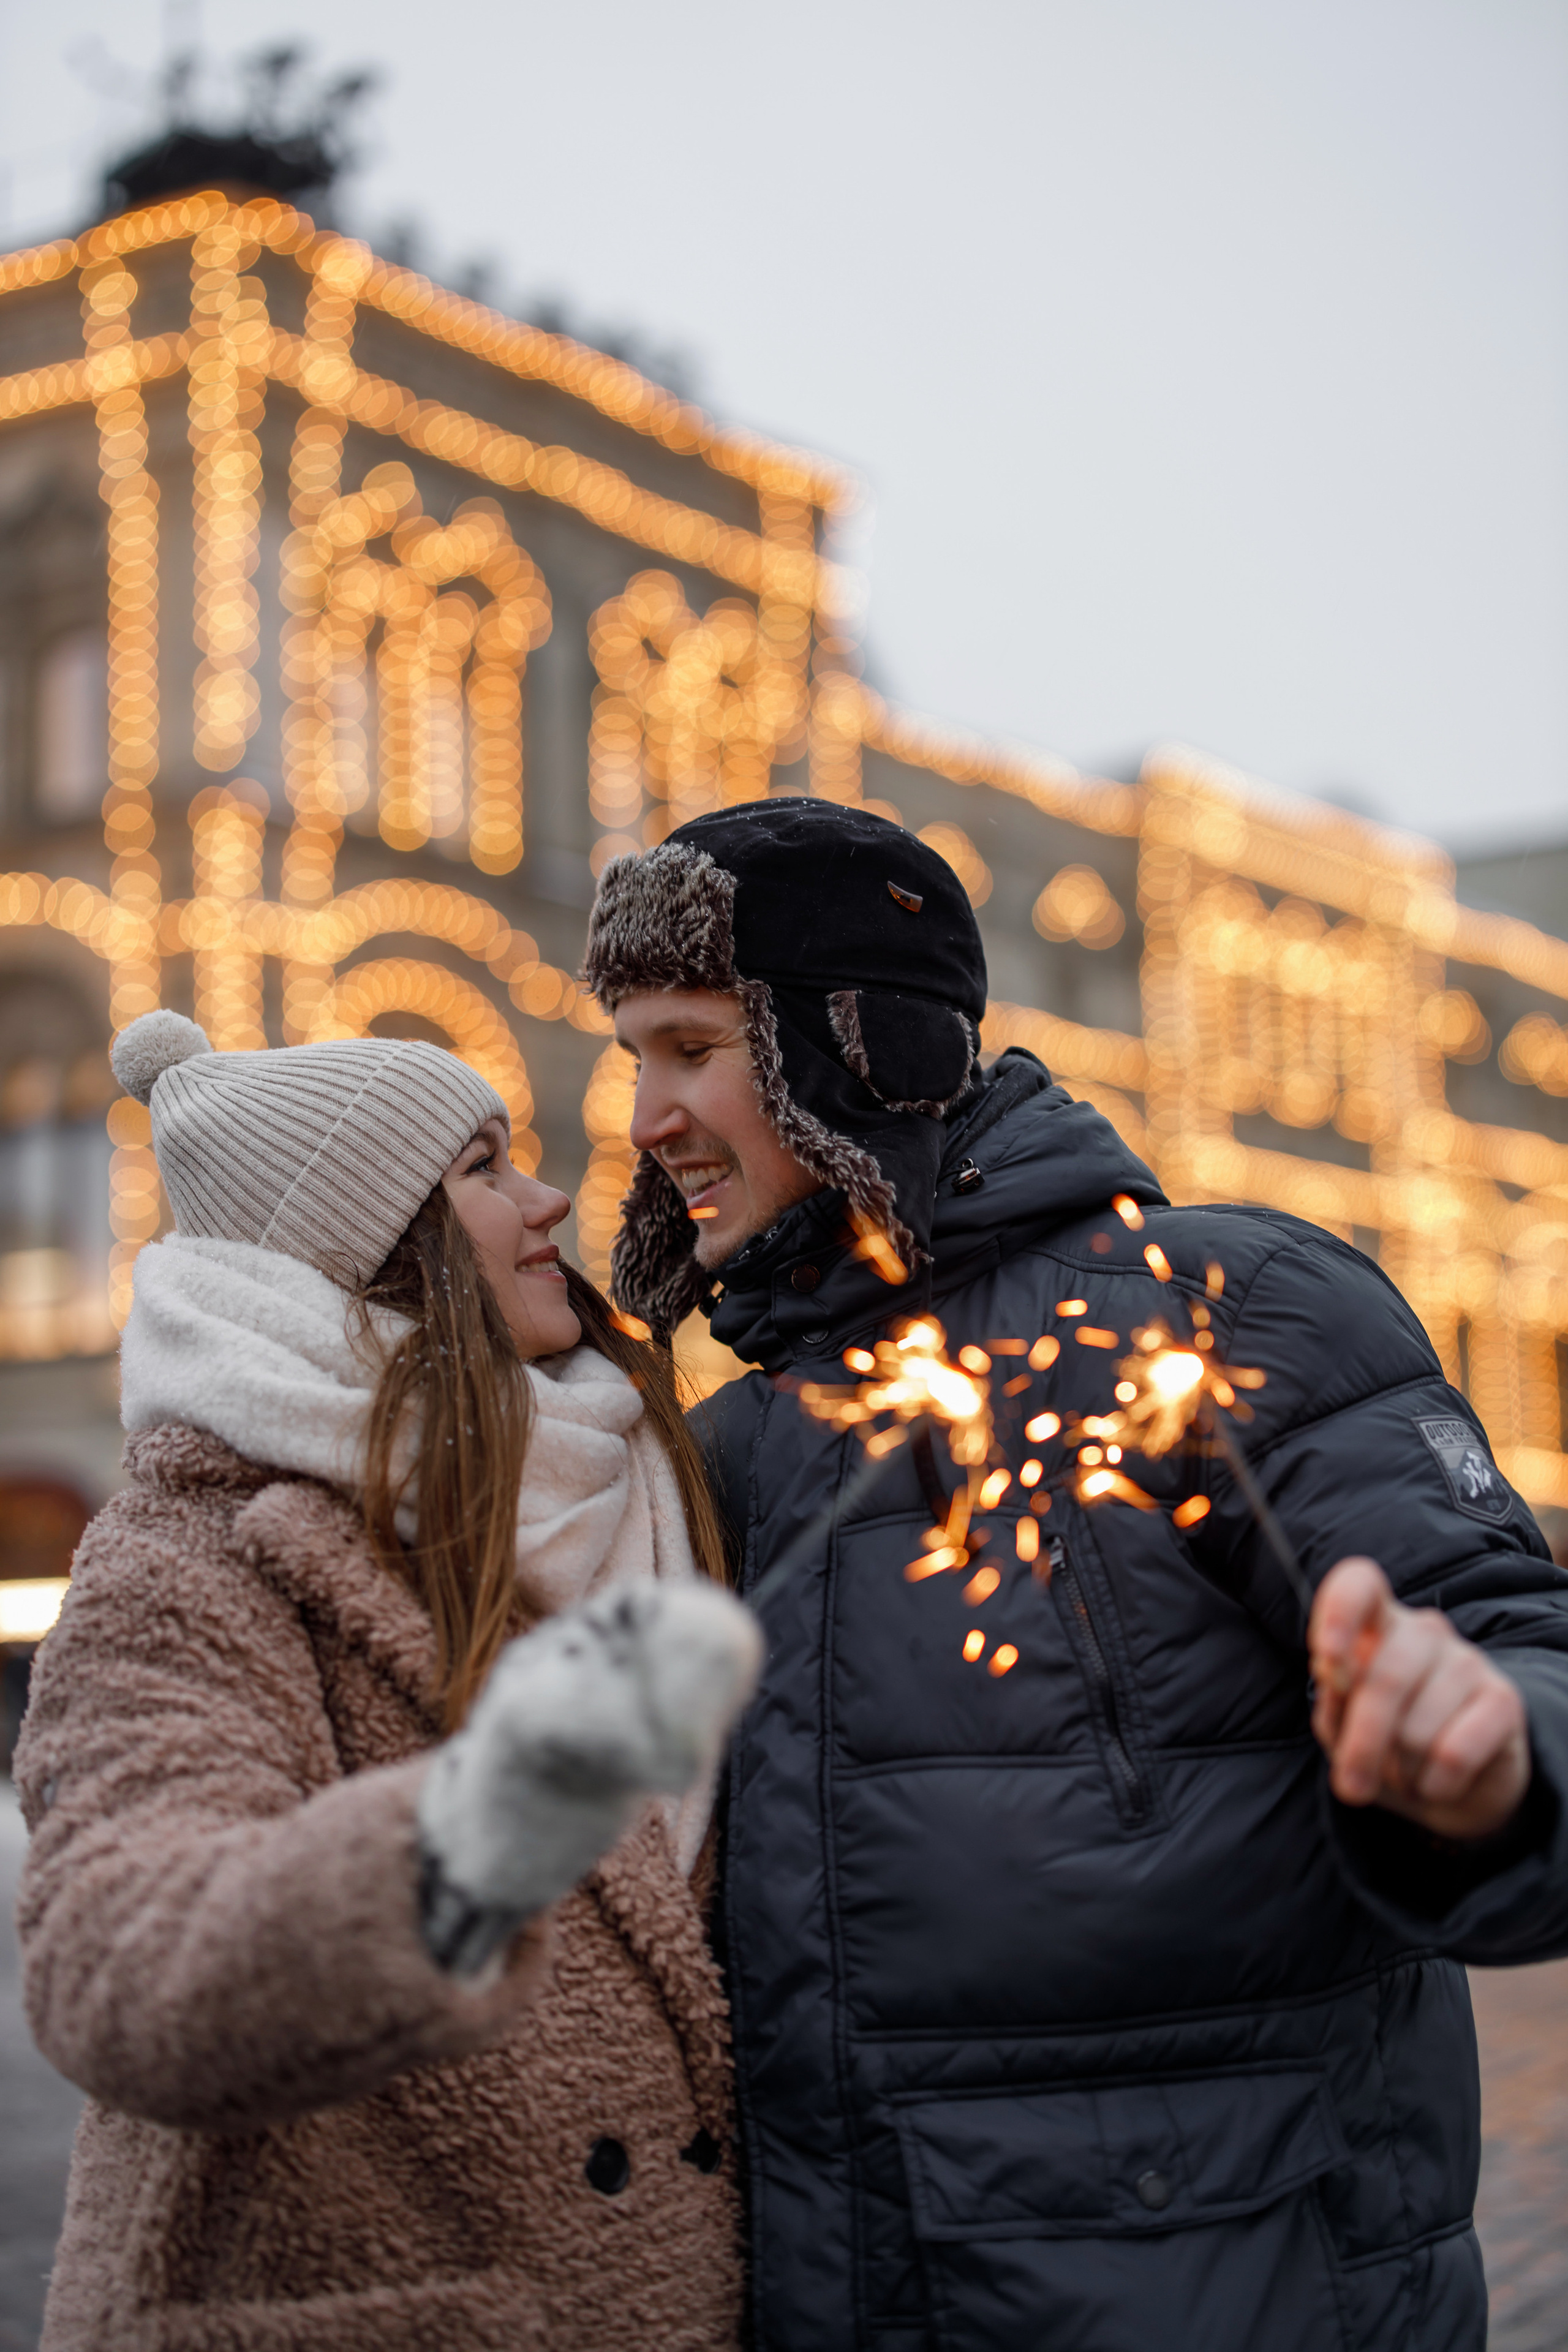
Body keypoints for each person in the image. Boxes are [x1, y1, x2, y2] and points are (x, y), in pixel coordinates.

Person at [581, 796, 1568, 2352]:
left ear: (858, 1053)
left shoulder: (1225, 1312)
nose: (645, 1116)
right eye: (631, 1052)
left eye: (692, 1048)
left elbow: (1518, 1642)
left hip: (1221, 2295)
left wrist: (1490, 1757)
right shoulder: (728, 1447)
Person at [13, 1010, 760, 2351]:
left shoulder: (640, 1475)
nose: (545, 1201)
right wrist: (469, 1844)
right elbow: (116, 1960)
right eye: (481, 1168)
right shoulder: (198, 1544)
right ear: (370, 1245)